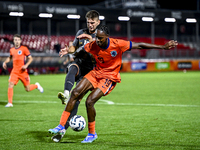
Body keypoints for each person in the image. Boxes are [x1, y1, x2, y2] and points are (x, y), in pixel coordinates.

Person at [49, 25, 178, 143]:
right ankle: (60, 125)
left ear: (107, 37)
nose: (98, 41)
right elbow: (82, 51)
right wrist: (70, 51)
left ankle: (92, 133)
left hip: (110, 77)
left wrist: (163, 47)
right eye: (97, 38)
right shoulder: (94, 44)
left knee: (89, 102)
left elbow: (140, 45)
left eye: (100, 38)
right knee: (75, 92)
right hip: (96, 73)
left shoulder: (118, 44)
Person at [49, 10, 100, 142]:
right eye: (88, 22)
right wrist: (69, 50)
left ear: (98, 22)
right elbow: (74, 47)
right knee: (72, 68)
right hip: (79, 63)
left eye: (93, 23)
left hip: (90, 71)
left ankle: (63, 129)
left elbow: (101, 53)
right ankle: (66, 93)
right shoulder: (80, 32)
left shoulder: (101, 36)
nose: (90, 25)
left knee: (76, 100)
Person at [2, 34, 43, 107]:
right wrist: (5, 62)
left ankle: (36, 86)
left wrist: (26, 65)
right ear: (13, 41)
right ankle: (10, 103)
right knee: (10, 84)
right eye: (15, 40)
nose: (17, 41)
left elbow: (30, 58)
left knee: (27, 89)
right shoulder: (12, 50)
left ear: (20, 41)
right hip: (14, 71)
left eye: (18, 40)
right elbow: (10, 57)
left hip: (23, 72)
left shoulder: (24, 49)